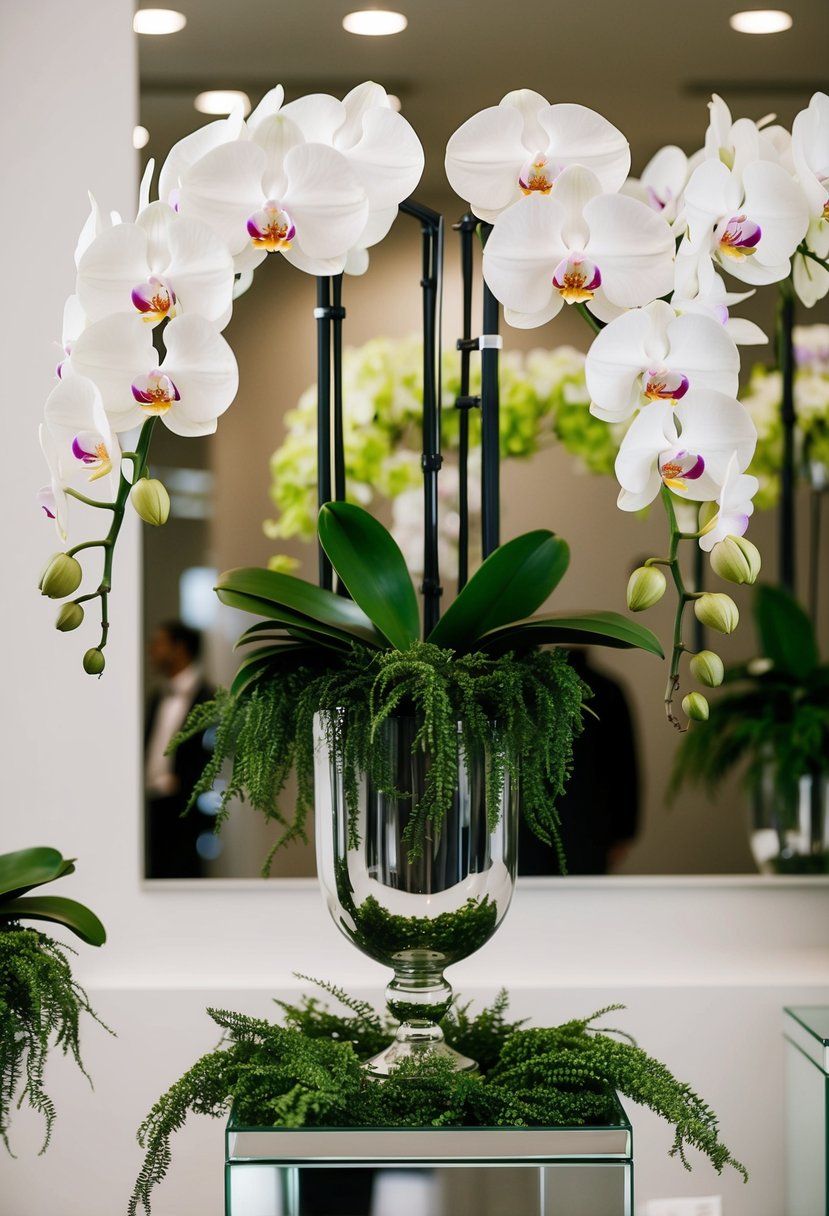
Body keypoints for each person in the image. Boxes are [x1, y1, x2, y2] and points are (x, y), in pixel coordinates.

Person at [518, 648, 640, 876]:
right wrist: (625, 832)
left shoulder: (604, 690)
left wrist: (625, 832)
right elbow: (625, 770)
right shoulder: (607, 689)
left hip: (556, 827)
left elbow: (624, 768)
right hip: (588, 828)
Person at [144, 621, 215, 878]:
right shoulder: (157, 696)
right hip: (154, 803)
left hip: (188, 808)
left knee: (184, 874)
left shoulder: (208, 697)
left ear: (180, 649)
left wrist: (183, 783)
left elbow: (213, 754)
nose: (152, 651)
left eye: (159, 644)